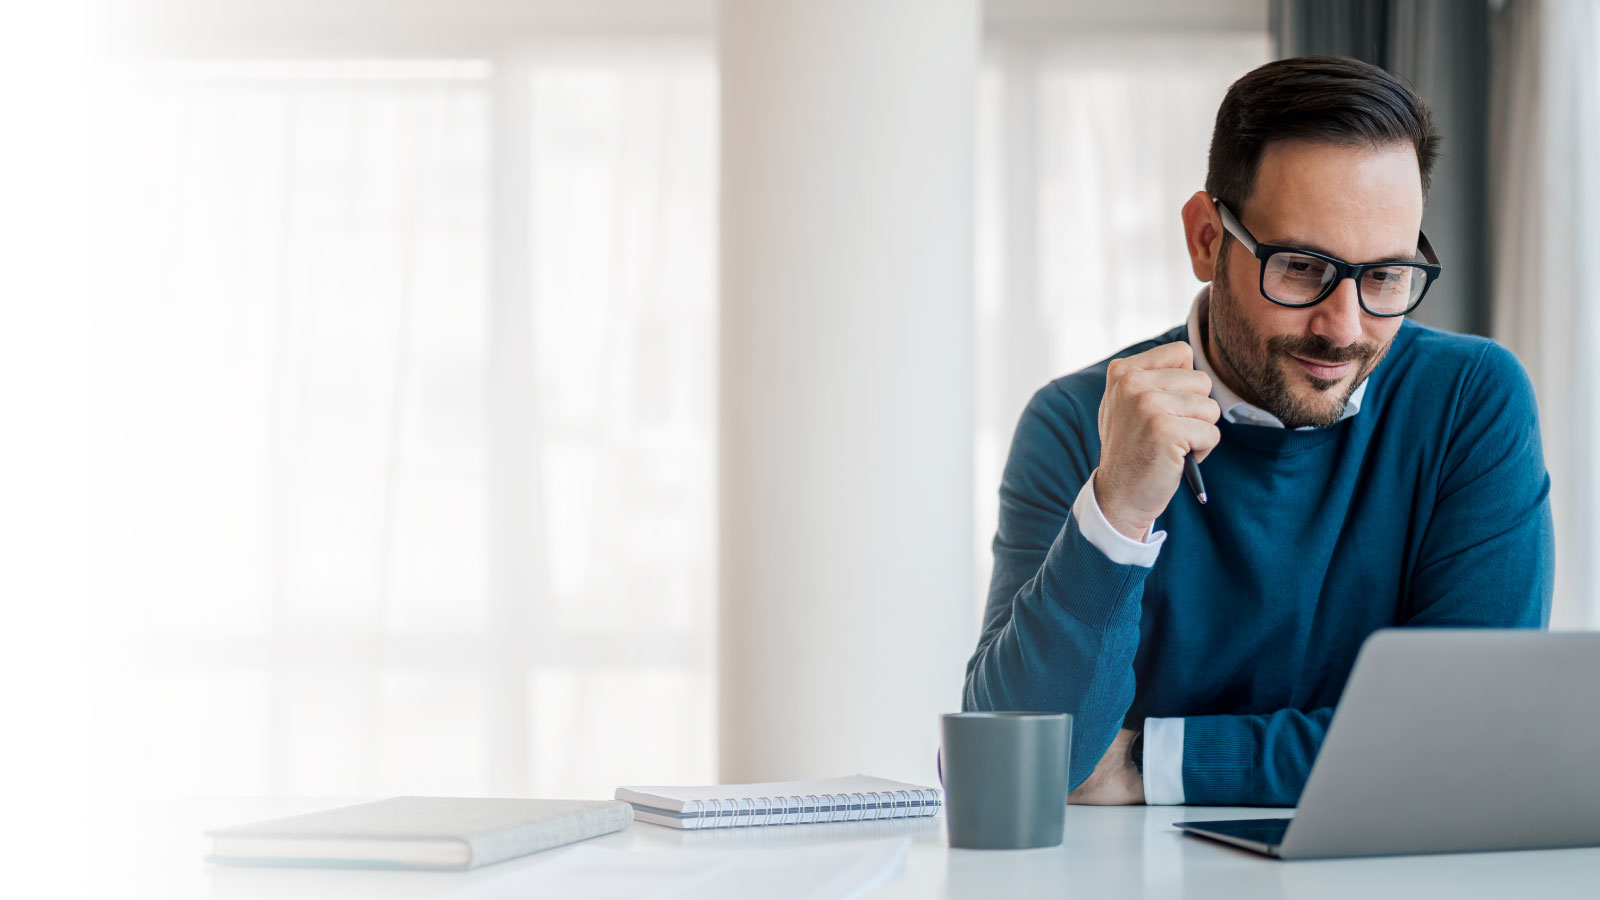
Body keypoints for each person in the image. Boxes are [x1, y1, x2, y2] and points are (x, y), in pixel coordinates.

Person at [962, 56, 1554, 807]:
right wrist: (1117, 512)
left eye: (1386, 276)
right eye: (1303, 267)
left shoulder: (1471, 400)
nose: (1344, 329)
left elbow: (1474, 740)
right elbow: (1011, 764)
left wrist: (1154, 762)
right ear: (1207, 239)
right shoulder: (1077, 422)